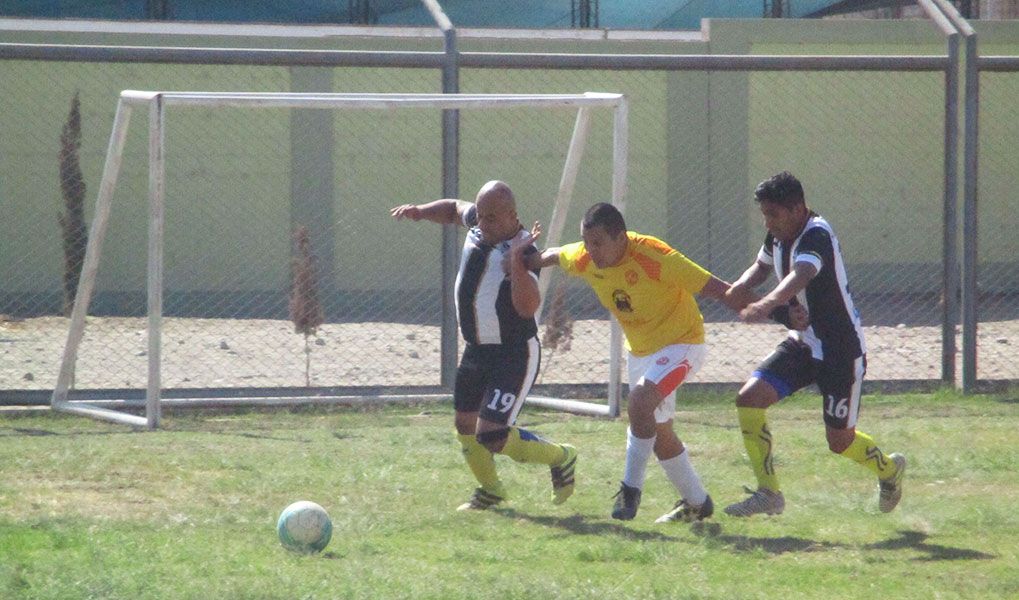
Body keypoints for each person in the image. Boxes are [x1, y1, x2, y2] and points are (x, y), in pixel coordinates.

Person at [528, 202, 737, 523]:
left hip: (683, 343)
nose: (590, 250)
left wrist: (773, 308)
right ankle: (697, 502)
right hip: (641, 351)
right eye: (587, 241)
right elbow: (556, 254)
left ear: (621, 238)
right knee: (660, 434)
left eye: (598, 243)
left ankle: (630, 489)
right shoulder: (585, 257)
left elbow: (719, 289)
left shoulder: (655, 257)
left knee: (639, 402)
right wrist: (529, 258)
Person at [723, 171, 906, 517]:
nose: (768, 222)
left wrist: (766, 305)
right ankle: (769, 494)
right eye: (764, 215)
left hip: (839, 350)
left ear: (797, 209)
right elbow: (760, 268)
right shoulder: (779, 232)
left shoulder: (817, 234)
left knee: (840, 442)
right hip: (803, 343)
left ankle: (890, 470)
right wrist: (739, 285)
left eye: (773, 215)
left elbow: (800, 276)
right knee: (749, 399)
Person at [390, 180, 577, 512]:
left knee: (492, 435)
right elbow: (453, 209)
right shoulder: (480, 219)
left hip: (514, 354)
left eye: (492, 218)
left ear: (512, 216)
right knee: (464, 424)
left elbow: (528, 307)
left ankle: (561, 457)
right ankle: (491, 490)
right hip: (477, 349)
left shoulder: (525, 249)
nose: (484, 223)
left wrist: (518, 267)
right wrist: (421, 212)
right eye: (482, 216)